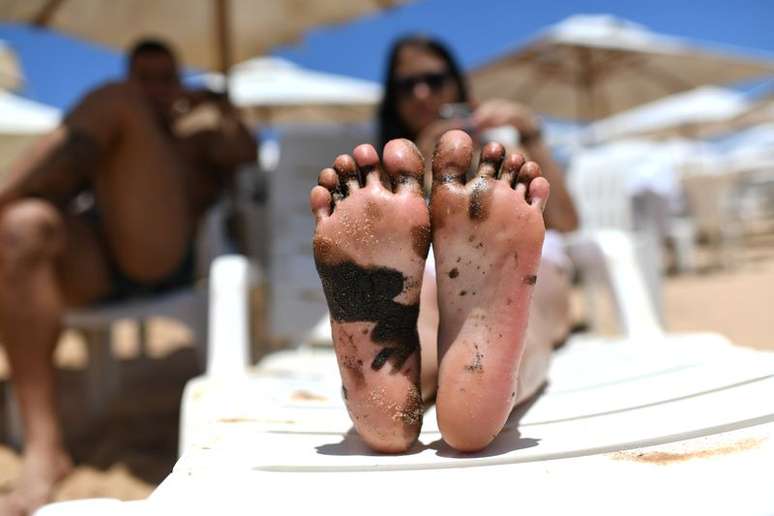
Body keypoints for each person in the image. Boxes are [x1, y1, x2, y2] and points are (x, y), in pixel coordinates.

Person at [0, 38, 257, 514]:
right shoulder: (120, 136)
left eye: (166, 79)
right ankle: (44, 447)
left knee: (115, 101)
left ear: (181, 85)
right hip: (100, 260)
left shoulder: (194, 137)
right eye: (146, 79)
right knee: (20, 227)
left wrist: (220, 106)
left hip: (162, 260)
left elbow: (244, 152)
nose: (155, 89)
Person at [310, 35, 578, 453]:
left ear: (458, 85)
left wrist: (532, 134)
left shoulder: (508, 143)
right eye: (406, 85)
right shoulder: (383, 184)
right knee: (432, 311)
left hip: (520, 257)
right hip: (428, 270)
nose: (422, 93)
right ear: (391, 100)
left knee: (523, 298)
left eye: (434, 80)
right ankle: (407, 392)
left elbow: (567, 221)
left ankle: (415, 395)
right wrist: (425, 170)